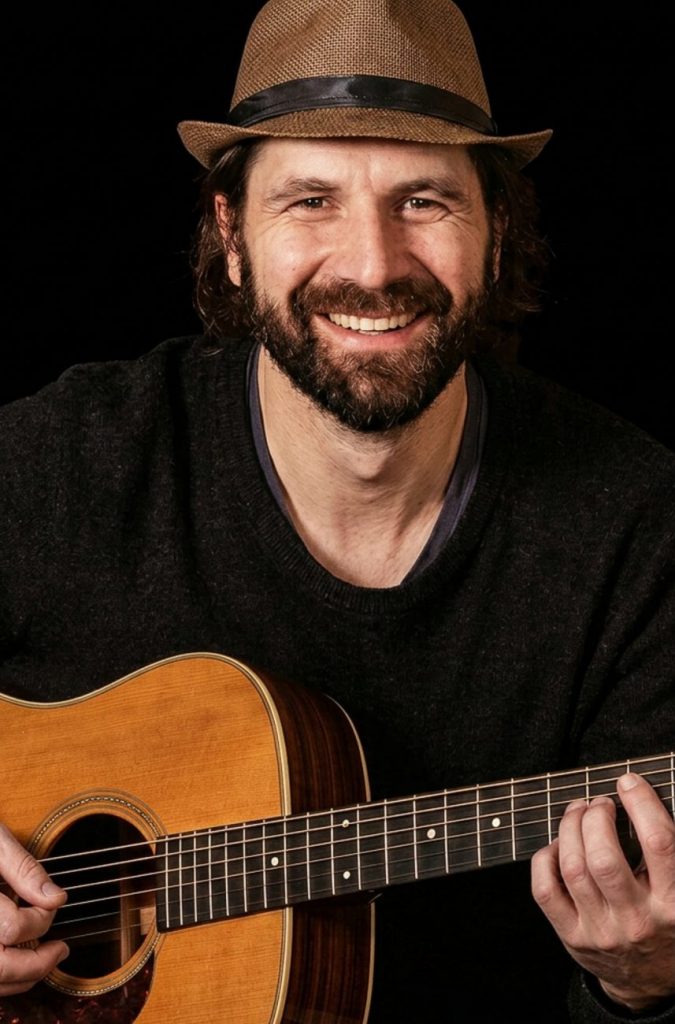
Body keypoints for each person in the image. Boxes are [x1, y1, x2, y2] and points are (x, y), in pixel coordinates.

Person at [0, 0, 673, 1021]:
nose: (371, 264)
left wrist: (642, 983)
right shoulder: (67, 462)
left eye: (424, 201)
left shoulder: (635, 529)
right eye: (311, 199)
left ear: (496, 234)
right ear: (231, 234)